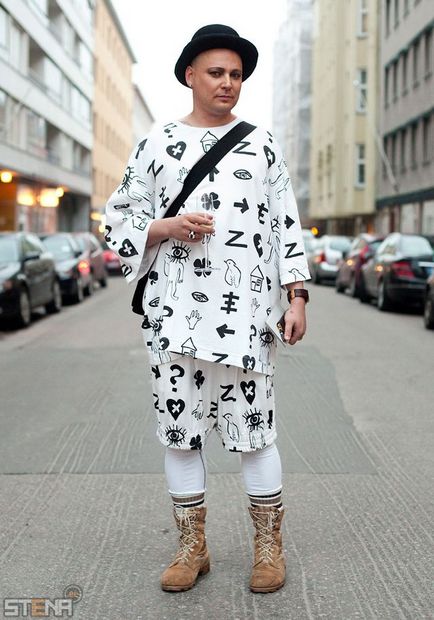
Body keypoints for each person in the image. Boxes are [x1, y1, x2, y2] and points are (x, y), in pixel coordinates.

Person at [105, 24, 310, 594]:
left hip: (248, 318)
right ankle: (191, 548)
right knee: (180, 435)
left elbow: (285, 223)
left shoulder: (262, 144)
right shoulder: (156, 143)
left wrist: (296, 296)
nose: (228, 83)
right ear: (190, 75)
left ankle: (268, 550)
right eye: (216, 72)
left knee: (256, 435)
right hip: (172, 317)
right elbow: (117, 218)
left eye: (236, 75)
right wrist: (165, 226)